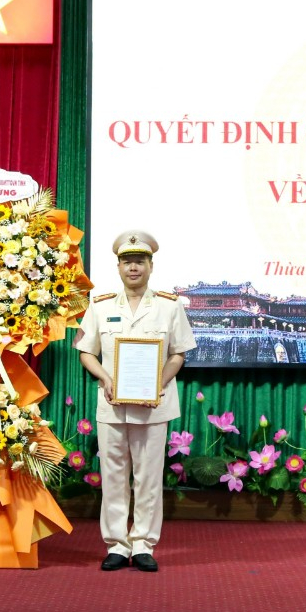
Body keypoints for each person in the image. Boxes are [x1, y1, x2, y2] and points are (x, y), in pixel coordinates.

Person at [74, 230, 196, 572]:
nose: (133, 268)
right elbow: (86, 352)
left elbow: (179, 354)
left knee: (148, 477)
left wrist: (159, 381)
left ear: (151, 266)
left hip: (154, 404)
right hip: (112, 404)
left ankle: (143, 544)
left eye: (139, 261)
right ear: (118, 267)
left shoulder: (170, 306)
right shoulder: (99, 306)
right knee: (113, 476)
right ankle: (116, 544)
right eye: (127, 262)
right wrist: (105, 378)